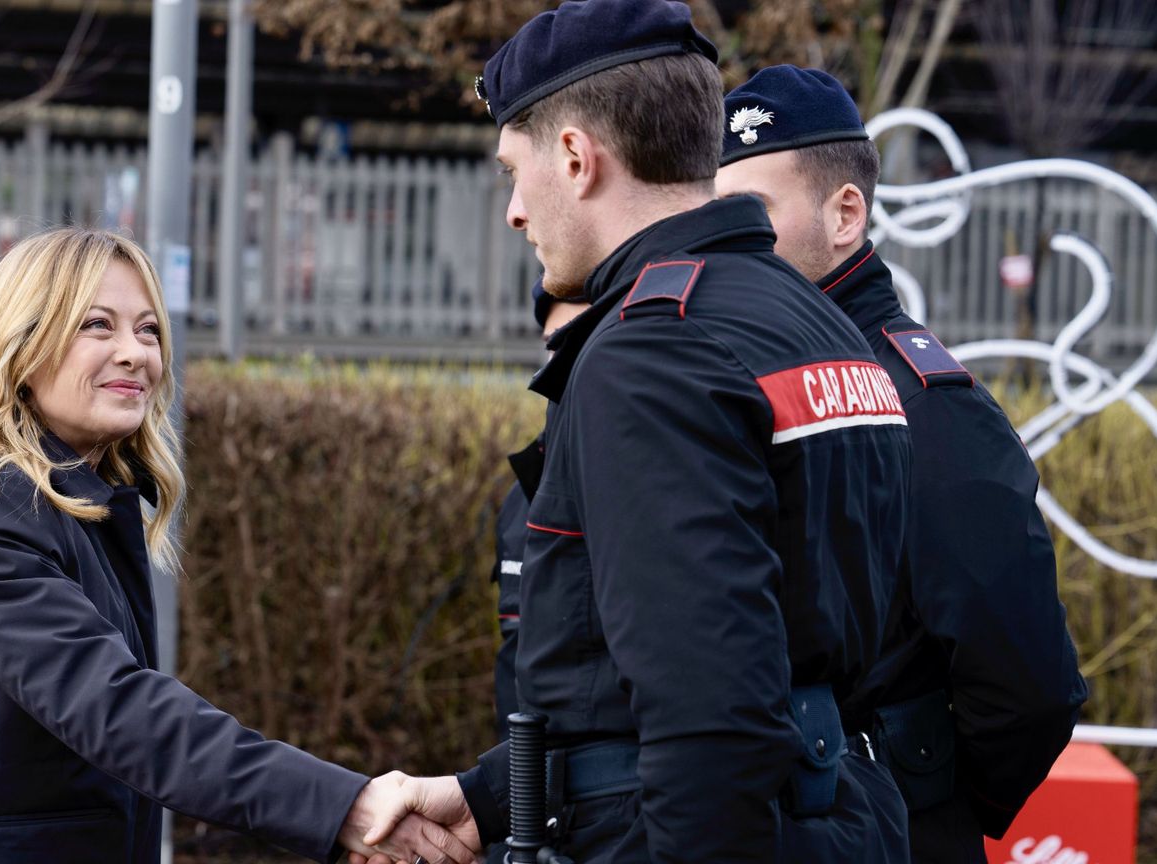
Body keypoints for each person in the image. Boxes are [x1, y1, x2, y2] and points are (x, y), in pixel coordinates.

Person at [357, 1, 917, 861]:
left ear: (578, 158)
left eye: (515, 169)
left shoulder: (651, 352)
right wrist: (489, 796)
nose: (513, 209)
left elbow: (709, 712)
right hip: (832, 811)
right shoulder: (812, 319)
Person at [0, 228, 479, 864]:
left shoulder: (82, 500)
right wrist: (344, 807)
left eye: (148, 330)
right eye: (97, 325)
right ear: (21, 347)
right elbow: (119, 710)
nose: (134, 353)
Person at [715, 65, 1088, 863]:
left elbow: (1027, 684)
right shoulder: (743, 377)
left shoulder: (921, 401)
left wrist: (925, 794)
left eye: (752, 214)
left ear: (844, 214)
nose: (728, 242)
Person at [486, 283, 589, 864]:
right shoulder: (520, 497)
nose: (564, 363)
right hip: (522, 804)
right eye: (556, 345)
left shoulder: (628, 489)